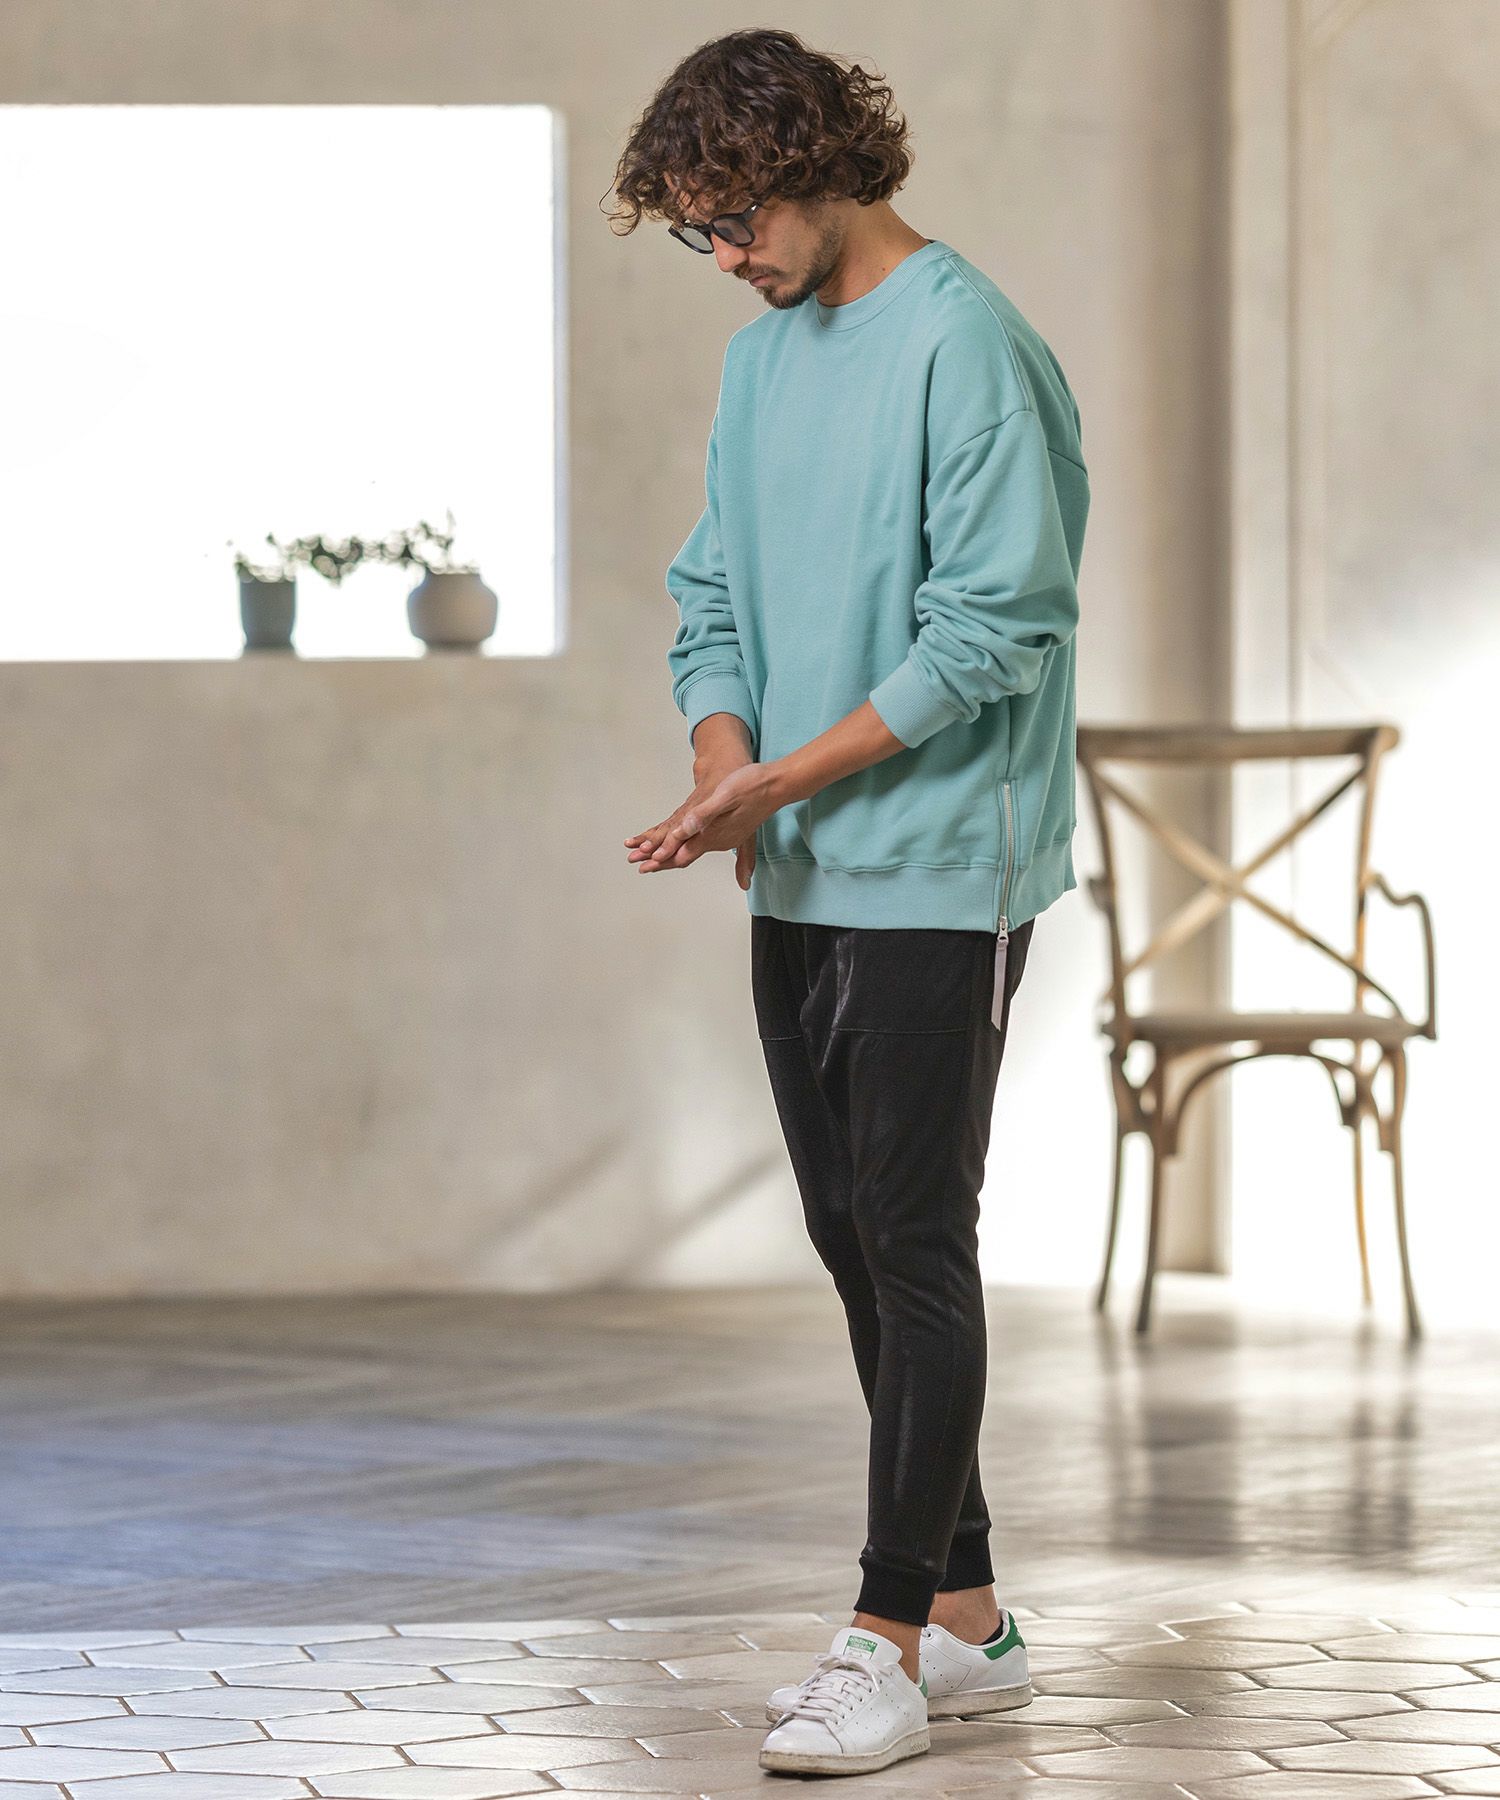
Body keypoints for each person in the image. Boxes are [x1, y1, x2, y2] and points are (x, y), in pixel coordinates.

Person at [613, 27, 1089, 1781]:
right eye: (696, 232)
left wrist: (780, 784)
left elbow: (997, 627)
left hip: (944, 863)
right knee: (848, 1233)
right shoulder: (762, 364)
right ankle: (972, 1620)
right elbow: (713, 591)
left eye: (733, 219)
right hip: (799, 858)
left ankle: (882, 1640)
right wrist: (724, 759)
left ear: (820, 167)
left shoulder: (970, 344)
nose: (722, 257)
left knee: (913, 1234)